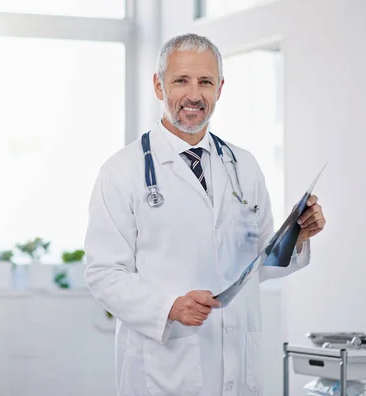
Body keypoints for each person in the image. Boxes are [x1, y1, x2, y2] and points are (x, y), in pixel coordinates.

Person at [84, 33, 326, 396]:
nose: (194, 95)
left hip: (237, 365)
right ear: (158, 85)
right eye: (181, 80)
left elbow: (260, 261)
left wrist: (298, 236)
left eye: (205, 82)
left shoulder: (244, 165)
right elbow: (103, 273)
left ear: (220, 88)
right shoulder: (122, 171)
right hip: (165, 369)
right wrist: (169, 306)